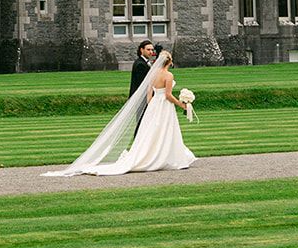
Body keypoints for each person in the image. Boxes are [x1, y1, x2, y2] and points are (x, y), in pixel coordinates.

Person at [45, 50, 195, 176]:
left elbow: (149, 91)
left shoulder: (153, 74)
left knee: (150, 130)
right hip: (164, 104)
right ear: (169, 62)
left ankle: (154, 154)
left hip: (155, 104)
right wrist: (181, 104)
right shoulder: (168, 76)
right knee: (165, 130)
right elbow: (168, 95)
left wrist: (151, 104)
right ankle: (164, 155)